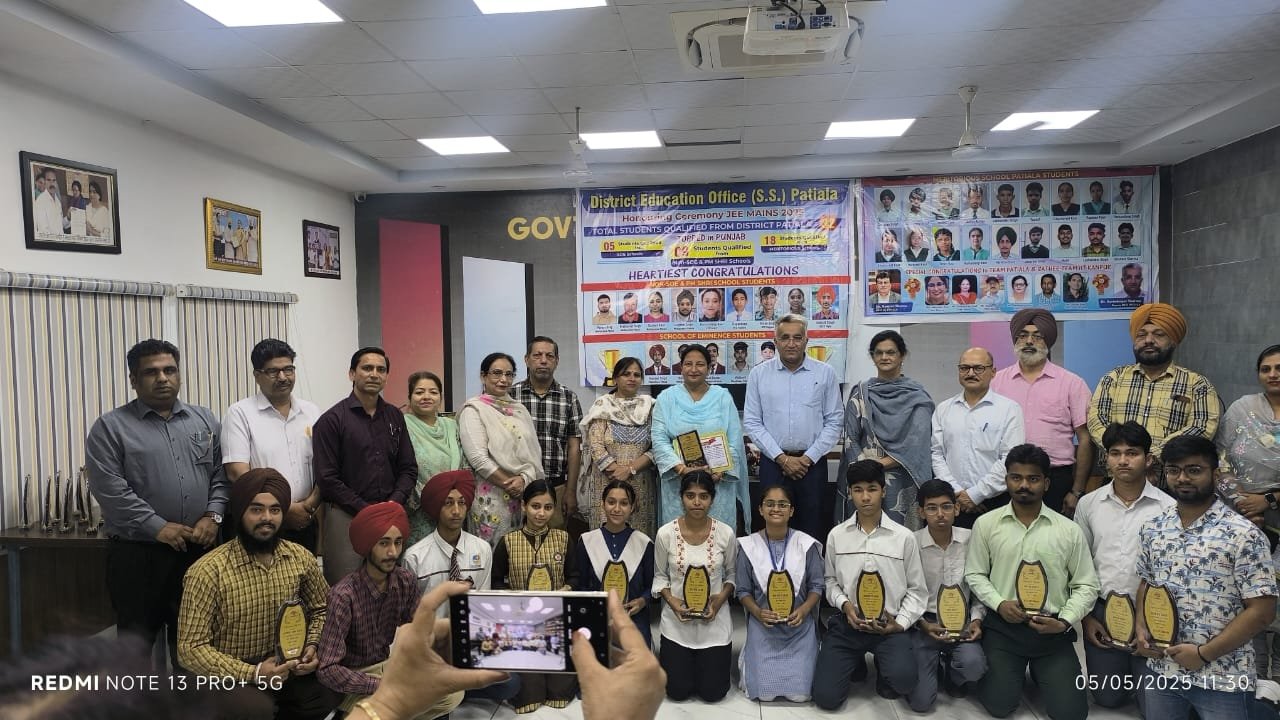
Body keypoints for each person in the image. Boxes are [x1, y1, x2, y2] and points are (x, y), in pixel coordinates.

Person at [85, 339, 226, 672]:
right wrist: (157, 527)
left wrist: (214, 515)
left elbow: (221, 475)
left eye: (169, 370)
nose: (163, 378)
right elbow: (109, 488)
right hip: (138, 556)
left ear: (179, 374)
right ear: (134, 380)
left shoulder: (204, 420)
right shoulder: (110, 427)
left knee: (195, 647)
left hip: (197, 552)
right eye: (151, 372)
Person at [1136, 436, 1278, 720]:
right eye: (1174, 470)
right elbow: (1147, 584)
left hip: (1224, 675)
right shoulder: (1153, 528)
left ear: (1215, 474)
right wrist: (1141, 628)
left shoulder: (1244, 534)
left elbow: (1262, 611)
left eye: (1194, 470)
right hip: (1163, 668)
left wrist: (1203, 654)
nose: (1182, 478)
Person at [178, 469, 339, 719]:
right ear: (240, 512)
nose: (267, 518)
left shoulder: (300, 558)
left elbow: (322, 608)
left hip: (287, 666)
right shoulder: (207, 571)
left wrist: (312, 645)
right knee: (255, 710)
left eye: (275, 510)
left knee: (328, 693)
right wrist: (253, 673)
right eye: (256, 510)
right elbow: (190, 649)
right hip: (230, 675)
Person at [964, 444, 1099, 720]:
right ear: (1007, 480)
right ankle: (1019, 670)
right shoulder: (986, 525)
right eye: (1016, 477)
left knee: (1071, 715)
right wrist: (999, 604)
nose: (1024, 485)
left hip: (1052, 632)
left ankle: (1043, 670)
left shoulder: (1068, 530)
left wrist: (1064, 621)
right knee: (1000, 707)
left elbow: (1086, 585)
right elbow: (975, 574)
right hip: (1003, 629)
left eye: (1033, 478)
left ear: (1046, 483)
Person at [1073, 422, 1174, 711]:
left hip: (1151, 613)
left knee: (1153, 708)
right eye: (1115, 453)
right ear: (1106, 459)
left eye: (1132, 453)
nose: (1123, 460)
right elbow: (1079, 565)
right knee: (1108, 698)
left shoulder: (1168, 508)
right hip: (1103, 611)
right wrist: (1086, 618)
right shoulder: (1089, 504)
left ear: (1148, 459)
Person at [318, 503, 453, 719]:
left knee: (452, 692)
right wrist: (380, 685)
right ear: (368, 545)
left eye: (398, 542)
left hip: (388, 667)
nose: (393, 552)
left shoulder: (404, 580)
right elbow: (327, 669)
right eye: (384, 543)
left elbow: (420, 630)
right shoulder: (343, 595)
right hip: (355, 677)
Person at [814, 460, 927, 709]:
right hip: (848, 624)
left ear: (883, 491)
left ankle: (884, 666)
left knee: (904, 682)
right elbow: (830, 581)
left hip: (889, 626)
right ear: (850, 493)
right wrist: (845, 606)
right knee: (826, 698)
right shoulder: (837, 535)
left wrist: (900, 624)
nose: (865, 497)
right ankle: (854, 662)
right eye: (858, 490)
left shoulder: (904, 537)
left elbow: (917, 590)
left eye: (872, 489)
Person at [314, 347, 418, 584]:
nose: (374, 374)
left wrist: (393, 503)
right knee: (345, 585)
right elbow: (327, 479)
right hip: (346, 516)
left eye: (381, 369)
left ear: (387, 376)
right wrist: (366, 510)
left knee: (389, 586)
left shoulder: (394, 416)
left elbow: (408, 468)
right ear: (352, 374)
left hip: (390, 515)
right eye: (367, 368)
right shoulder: (331, 420)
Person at [1088, 303, 1223, 471]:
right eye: (1141, 334)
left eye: (1159, 334)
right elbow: (1096, 421)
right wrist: (1127, 455)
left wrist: (1152, 456)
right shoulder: (1113, 379)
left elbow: (1201, 427)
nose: (1149, 340)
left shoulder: (1197, 384)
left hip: (1173, 479)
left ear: (1173, 341)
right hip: (1118, 477)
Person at [744, 315, 842, 540]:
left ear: (806, 340)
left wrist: (807, 459)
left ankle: (809, 565)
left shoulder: (825, 373)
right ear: (775, 341)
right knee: (773, 526)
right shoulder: (759, 374)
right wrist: (782, 458)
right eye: (785, 337)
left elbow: (835, 421)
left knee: (812, 528)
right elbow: (752, 422)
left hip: (812, 466)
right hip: (773, 464)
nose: (791, 343)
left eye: (797, 338)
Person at [221, 339, 322, 552]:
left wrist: (310, 506)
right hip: (261, 523)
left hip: (306, 519)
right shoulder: (240, 413)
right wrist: (283, 509)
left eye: (288, 369)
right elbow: (237, 473)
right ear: (257, 375)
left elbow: (325, 466)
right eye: (273, 371)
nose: (283, 377)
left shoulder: (311, 412)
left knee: (304, 572)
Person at [991, 310, 1094, 515]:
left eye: (1037, 336)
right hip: (1004, 479)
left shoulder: (1072, 383)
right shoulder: (996, 382)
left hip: (1055, 480)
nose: (1029, 341)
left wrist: (1077, 491)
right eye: (1023, 335)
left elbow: (1085, 438)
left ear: (1048, 341)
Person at [492, 481, 578, 713]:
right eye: (535, 506)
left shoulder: (563, 539)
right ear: (523, 506)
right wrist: (512, 599)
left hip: (556, 619)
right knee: (529, 694)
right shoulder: (508, 542)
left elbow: (575, 576)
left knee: (559, 691)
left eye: (548, 507)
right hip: (521, 623)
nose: (541, 513)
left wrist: (566, 590)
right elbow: (496, 581)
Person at [653, 471, 738, 702]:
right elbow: (659, 577)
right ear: (681, 497)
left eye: (704, 496)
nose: (697, 502)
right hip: (676, 625)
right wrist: (672, 602)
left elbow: (732, 575)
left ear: (712, 499)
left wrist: (719, 602)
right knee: (677, 692)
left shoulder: (725, 533)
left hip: (715, 624)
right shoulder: (665, 534)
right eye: (690, 495)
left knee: (713, 693)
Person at [735, 485, 823, 702]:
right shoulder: (748, 546)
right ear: (760, 509)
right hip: (764, 626)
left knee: (800, 695)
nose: (776, 509)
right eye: (770, 504)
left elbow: (817, 586)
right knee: (765, 694)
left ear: (791, 511)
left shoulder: (806, 544)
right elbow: (743, 590)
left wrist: (804, 610)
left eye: (783, 505)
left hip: (799, 628)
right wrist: (758, 612)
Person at [838, 330, 934, 527]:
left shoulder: (917, 396)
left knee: (900, 534)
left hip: (902, 477)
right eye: (879, 353)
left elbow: (916, 444)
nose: (884, 357)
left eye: (890, 352)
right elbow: (851, 438)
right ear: (873, 357)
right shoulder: (861, 393)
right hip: (863, 480)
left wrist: (878, 465)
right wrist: (865, 470)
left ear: (902, 355)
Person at [909, 479, 989, 713]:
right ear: (921, 512)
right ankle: (931, 663)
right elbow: (905, 591)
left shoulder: (971, 539)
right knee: (921, 703)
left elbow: (980, 585)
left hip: (962, 622)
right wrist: (921, 623)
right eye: (932, 508)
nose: (940, 514)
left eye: (946, 507)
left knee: (974, 667)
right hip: (925, 623)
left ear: (957, 509)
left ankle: (953, 675)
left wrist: (976, 620)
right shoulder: (911, 542)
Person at [651, 344, 749, 528]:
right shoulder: (666, 398)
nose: (694, 369)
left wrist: (720, 471)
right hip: (678, 484)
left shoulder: (723, 397)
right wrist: (681, 469)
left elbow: (735, 440)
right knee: (678, 539)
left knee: (717, 539)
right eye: (688, 364)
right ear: (681, 367)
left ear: (709, 367)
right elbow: (659, 439)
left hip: (717, 484)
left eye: (700, 364)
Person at [932, 348, 1026, 528]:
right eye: (964, 368)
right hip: (954, 503)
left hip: (995, 502)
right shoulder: (944, 409)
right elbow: (937, 454)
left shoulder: (1009, 409)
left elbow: (1010, 458)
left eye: (978, 368)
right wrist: (958, 493)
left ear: (993, 372)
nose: (970, 373)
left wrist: (976, 494)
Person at [458, 352, 541, 545]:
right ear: (483, 376)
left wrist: (523, 480)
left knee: (516, 553)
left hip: (520, 496)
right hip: (490, 498)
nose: (503, 379)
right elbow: (478, 459)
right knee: (489, 553)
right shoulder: (473, 410)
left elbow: (533, 454)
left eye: (509, 374)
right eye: (496, 373)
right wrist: (511, 485)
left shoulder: (519, 410)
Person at [570, 480, 656, 648]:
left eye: (624, 503)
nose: (617, 509)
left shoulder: (644, 543)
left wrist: (642, 601)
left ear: (632, 507)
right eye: (611, 502)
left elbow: (652, 585)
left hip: (635, 623)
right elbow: (581, 585)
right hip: (597, 621)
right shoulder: (587, 541)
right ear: (603, 504)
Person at [578, 357, 656, 537]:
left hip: (640, 483)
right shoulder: (603, 406)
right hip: (607, 482)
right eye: (626, 374)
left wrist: (630, 469)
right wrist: (617, 473)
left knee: (638, 538)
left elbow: (657, 446)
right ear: (615, 378)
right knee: (605, 537)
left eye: (637, 375)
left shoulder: (650, 408)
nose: (632, 378)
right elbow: (596, 445)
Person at [512, 336, 583, 522]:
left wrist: (570, 490)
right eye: (537, 355)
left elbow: (574, 448)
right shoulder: (510, 396)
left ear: (556, 361)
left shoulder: (569, 398)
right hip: (517, 487)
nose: (543, 360)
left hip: (556, 487)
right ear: (526, 359)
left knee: (554, 539)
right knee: (515, 538)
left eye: (549, 356)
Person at [1218, 344, 1280, 534]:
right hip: (1239, 511)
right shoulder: (1243, 407)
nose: (1272, 374)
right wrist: (1242, 502)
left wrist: (1270, 499)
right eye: (1265, 369)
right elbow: (1220, 458)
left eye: (1279, 368)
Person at [403, 470, 492, 598]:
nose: (456, 511)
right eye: (448, 503)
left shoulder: (482, 549)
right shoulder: (415, 558)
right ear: (437, 507)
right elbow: (411, 607)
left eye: (461, 503)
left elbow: (483, 600)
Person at [403, 371, 465, 545]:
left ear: (441, 397)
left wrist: (451, 497)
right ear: (409, 397)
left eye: (433, 392)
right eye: (419, 392)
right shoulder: (402, 426)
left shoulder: (452, 426)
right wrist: (433, 497)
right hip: (418, 510)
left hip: (453, 507)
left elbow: (464, 463)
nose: (426, 397)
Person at [32, 167, 67, 235]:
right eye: (49, 180)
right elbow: (44, 231)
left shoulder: (57, 201)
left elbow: (60, 226)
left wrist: (68, 218)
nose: (52, 183)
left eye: (54, 180)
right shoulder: (40, 201)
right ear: (44, 182)